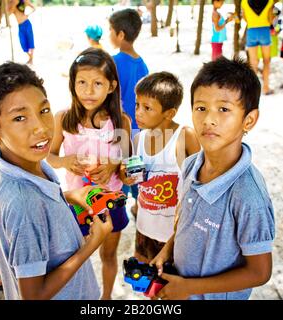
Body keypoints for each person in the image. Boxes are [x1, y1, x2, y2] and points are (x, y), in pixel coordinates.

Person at [0, 62, 113, 300]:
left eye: (44, 110)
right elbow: (33, 296)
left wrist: (67, 196)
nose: (40, 127)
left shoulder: (14, 165)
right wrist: (92, 242)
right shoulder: (24, 203)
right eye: (19, 118)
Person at [150, 57, 275, 300]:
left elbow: (260, 272)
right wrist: (167, 250)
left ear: (248, 120)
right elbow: (185, 222)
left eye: (224, 109)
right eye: (201, 108)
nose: (209, 119)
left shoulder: (248, 196)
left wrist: (189, 288)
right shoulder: (189, 166)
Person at [47, 48, 132, 300]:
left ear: (111, 86)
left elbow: (128, 163)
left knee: (107, 254)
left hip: (111, 201)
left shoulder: (120, 122)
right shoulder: (63, 118)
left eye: (97, 83)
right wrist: (65, 160)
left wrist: (114, 166)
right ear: (72, 84)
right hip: (77, 203)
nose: (88, 90)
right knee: (76, 256)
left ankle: (105, 298)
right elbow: (49, 156)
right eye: (81, 82)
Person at [120, 72, 200, 263]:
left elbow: (201, 181)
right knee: (147, 283)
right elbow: (135, 178)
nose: (138, 112)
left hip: (174, 235)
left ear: (169, 113)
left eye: (147, 108)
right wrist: (126, 177)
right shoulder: (138, 138)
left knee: (170, 287)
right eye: (137, 104)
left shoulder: (185, 136)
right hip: (144, 228)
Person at [109, 8, 149, 217]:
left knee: (119, 173)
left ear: (121, 34)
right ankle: (139, 206)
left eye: (111, 31)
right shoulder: (142, 64)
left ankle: (119, 211)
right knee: (136, 174)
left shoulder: (113, 62)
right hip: (139, 131)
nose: (109, 35)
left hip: (119, 129)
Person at [241, 0, 275, 95]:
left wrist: (252, 22)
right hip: (264, 31)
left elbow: (244, 17)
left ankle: (253, 90)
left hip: (251, 30)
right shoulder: (270, 1)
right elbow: (270, 18)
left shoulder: (244, 1)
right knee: (266, 61)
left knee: (253, 62)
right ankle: (266, 87)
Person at [7, 0, 35, 65]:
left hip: (27, 23)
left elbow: (33, 8)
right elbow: (8, 13)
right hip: (20, 26)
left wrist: (28, 14)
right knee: (23, 43)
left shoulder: (23, 2)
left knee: (30, 41)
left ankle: (31, 59)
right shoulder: (12, 5)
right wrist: (11, 5)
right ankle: (30, 58)